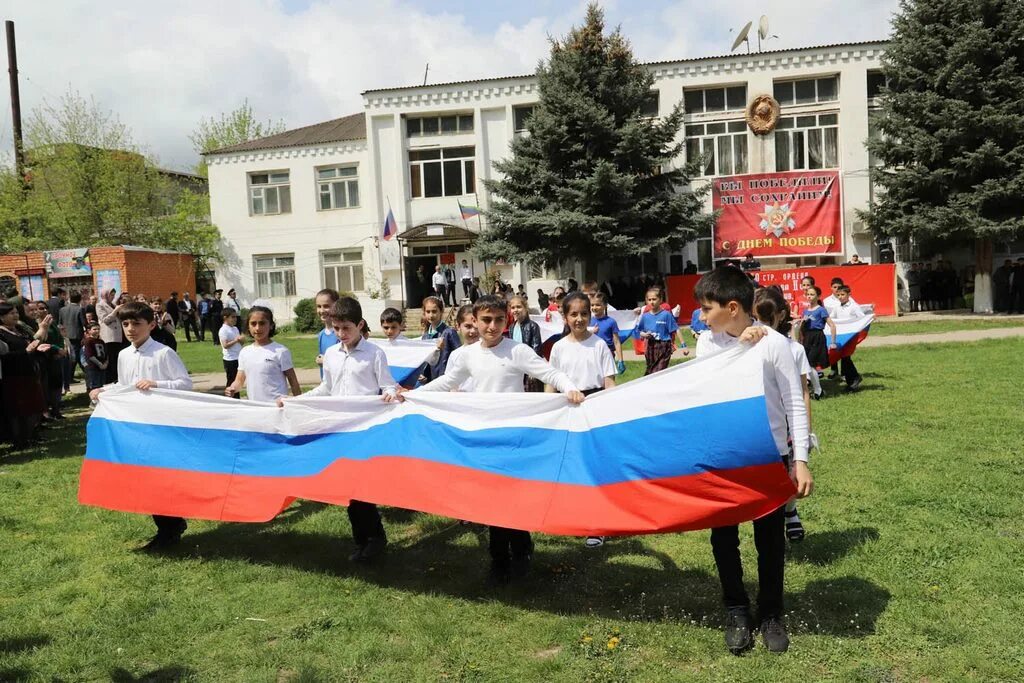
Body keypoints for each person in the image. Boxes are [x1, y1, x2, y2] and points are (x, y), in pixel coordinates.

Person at [415, 295, 583, 584]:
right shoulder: (468, 355)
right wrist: (411, 394)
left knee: (512, 495)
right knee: (490, 498)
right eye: (485, 320)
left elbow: (549, 372)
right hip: (483, 437)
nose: (492, 326)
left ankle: (521, 550)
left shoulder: (516, 350)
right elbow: (447, 382)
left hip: (512, 436)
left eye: (498, 320)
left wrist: (570, 388)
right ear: (475, 321)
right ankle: (498, 558)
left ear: (506, 320)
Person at [693, 266, 812, 655]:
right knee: (724, 539)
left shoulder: (775, 344)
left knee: (770, 540)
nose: (701, 316)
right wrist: (740, 348)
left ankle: (772, 613)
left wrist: (801, 460)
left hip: (768, 455)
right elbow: (707, 388)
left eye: (707, 308)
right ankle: (736, 609)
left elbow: (794, 399)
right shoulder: (707, 344)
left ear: (731, 307)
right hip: (724, 457)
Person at [284, 297, 401, 562]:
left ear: (360, 325)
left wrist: (390, 394)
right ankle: (363, 540)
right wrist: (295, 400)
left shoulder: (374, 354)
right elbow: (326, 389)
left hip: (365, 429)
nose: (341, 334)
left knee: (360, 488)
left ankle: (374, 539)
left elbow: (387, 385)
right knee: (348, 489)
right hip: (339, 429)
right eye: (336, 329)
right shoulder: (332, 355)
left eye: (346, 328)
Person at [89, 301, 193, 550]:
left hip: (161, 425)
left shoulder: (163, 353)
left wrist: (157, 384)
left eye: (136, 323)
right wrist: (103, 390)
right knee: (144, 478)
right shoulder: (124, 355)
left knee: (160, 477)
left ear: (151, 325)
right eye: (125, 324)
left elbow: (185, 383)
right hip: (138, 424)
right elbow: (125, 384)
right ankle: (168, 525)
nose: (130, 329)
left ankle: (170, 528)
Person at [549, 291, 617, 548]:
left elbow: (609, 382)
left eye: (584, 314)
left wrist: (610, 412)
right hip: (566, 409)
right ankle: (573, 518)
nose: (579, 319)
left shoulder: (599, 344)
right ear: (565, 317)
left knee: (594, 467)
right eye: (573, 314)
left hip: (594, 408)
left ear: (591, 314)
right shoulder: (558, 347)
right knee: (570, 466)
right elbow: (551, 383)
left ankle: (597, 525)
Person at [753, 286, 818, 543]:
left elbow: (801, 393)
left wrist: (806, 431)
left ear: (781, 315)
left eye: (767, 318)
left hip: (790, 424)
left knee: (791, 470)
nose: (762, 325)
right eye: (756, 318)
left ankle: (790, 511)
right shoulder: (750, 346)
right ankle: (780, 514)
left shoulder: (794, 349)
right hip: (766, 424)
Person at [226, 306, 300, 402]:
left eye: (262, 323)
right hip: (255, 408)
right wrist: (232, 388)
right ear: (248, 326)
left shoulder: (280, 351)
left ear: (271, 325)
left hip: (276, 407)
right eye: (253, 323)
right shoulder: (245, 352)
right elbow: (239, 381)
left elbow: (293, 381)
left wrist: (299, 403)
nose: (257, 328)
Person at [0, 302, 46, 448]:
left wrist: (40, 348)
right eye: (11, 314)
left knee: (34, 408)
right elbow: (4, 357)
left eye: (16, 313)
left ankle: (29, 436)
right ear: (1, 317)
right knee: (18, 411)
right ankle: (20, 440)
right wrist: (26, 351)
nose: (16, 316)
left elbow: (32, 344)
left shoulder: (19, 329)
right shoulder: (1, 334)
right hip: (13, 376)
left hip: (29, 373)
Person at [634, 287, 687, 375]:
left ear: (660, 299)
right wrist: (644, 334)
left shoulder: (666, 315)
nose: (652, 302)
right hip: (650, 346)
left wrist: (683, 345)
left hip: (664, 346)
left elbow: (676, 329)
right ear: (646, 301)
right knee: (651, 370)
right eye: (649, 299)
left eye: (654, 299)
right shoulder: (645, 316)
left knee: (659, 371)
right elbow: (639, 331)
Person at [827, 285, 865, 391]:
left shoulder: (854, 306)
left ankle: (854, 378)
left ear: (849, 295)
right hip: (841, 335)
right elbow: (832, 318)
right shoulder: (837, 307)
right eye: (838, 295)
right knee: (844, 357)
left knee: (845, 356)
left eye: (843, 294)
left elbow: (861, 317)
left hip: (851, 335)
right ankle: (852, 381)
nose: (840, 297)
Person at [420, 296, 461, 381]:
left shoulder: (449, 333)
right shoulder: (425, 336)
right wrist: (424, 376)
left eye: (434, 311)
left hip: (446, 380)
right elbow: (426, 360)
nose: (431, 315)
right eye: (428, 312)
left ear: (441, 311)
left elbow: (459, 357)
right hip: (430, 381)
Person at [507, 295, 543, 391]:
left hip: (529, 368)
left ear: (525, 308)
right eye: (513, 307)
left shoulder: (532, 326)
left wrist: (533, 370)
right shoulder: (512, 327)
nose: (515, 310)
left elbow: (536, 348)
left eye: (519, 307)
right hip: (517, 367)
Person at [799, 286, 836, 373]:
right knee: (806, 362)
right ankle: (810, 382)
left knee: (812, 362)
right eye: (808, 294)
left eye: (812, 294)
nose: (809, 296)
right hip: (807, 337)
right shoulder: (805, 311)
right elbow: (802, 327)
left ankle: (816, 386)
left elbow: (832, 325)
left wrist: (833, 342)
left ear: (818, 296)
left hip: (817, 337)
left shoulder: (821, 310)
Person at [589, 292, 624, 374]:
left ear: (605, 306)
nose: (594, 307)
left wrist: (620, 360)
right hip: (591, 355)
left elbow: (616, 342)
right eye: (592, 305)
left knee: (608, 380)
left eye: (598, 305)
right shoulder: (588, 321)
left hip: (608, 354)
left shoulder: (611, 322)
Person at [59, 291, 85, 393]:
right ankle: (71, 375)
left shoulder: (62, 309)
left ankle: (69, 376)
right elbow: (83, 323)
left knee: (70, 356)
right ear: (79, 299)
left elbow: (60, 323)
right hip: (77, 336)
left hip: (66, 335)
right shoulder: (80, 309)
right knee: (75, 356)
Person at [96, 289, 124, 384]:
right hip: (109, 336)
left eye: (114, 295)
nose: (113, 297)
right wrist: (116, 311)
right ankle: (110, 379)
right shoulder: (100, 305)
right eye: (111, 295)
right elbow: (105, 319)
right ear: (105, 295)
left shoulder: (112, 304)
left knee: (116, 358)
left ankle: (117, 378)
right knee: (110, 358)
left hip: (117, 336)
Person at [314, 289, 341, 377]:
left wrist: (325, 360)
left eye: (326, 306)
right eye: (319, 306)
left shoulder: (341, 333)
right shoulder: (321, 334)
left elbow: (345, 360)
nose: (321, 311)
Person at [219, 309, 243, 395]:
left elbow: (240, 342)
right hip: (230, 359)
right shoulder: (223, 330)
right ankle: (230, 398)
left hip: (238, 357)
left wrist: (241, 340)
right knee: (231, 381)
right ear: (225, 318)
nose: (235, 319)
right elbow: (225, 345)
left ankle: (237, 398)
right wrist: (236, 340)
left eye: (235, 317)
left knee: (238, 381)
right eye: (233, 317)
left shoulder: (235, 328)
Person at [81, 322, 108, 400]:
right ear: (89, 331)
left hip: (102, 367)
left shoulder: (101, 341)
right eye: (94, 329)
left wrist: (105, 363)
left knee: (102, 385)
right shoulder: (88, 341)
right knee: (94, 385)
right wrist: (99, 364)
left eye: (98, 329)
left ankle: (101, 401)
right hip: (93, 367)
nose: (97, 330)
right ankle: (94, 401)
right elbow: (90, 355)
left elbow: (106, 354)